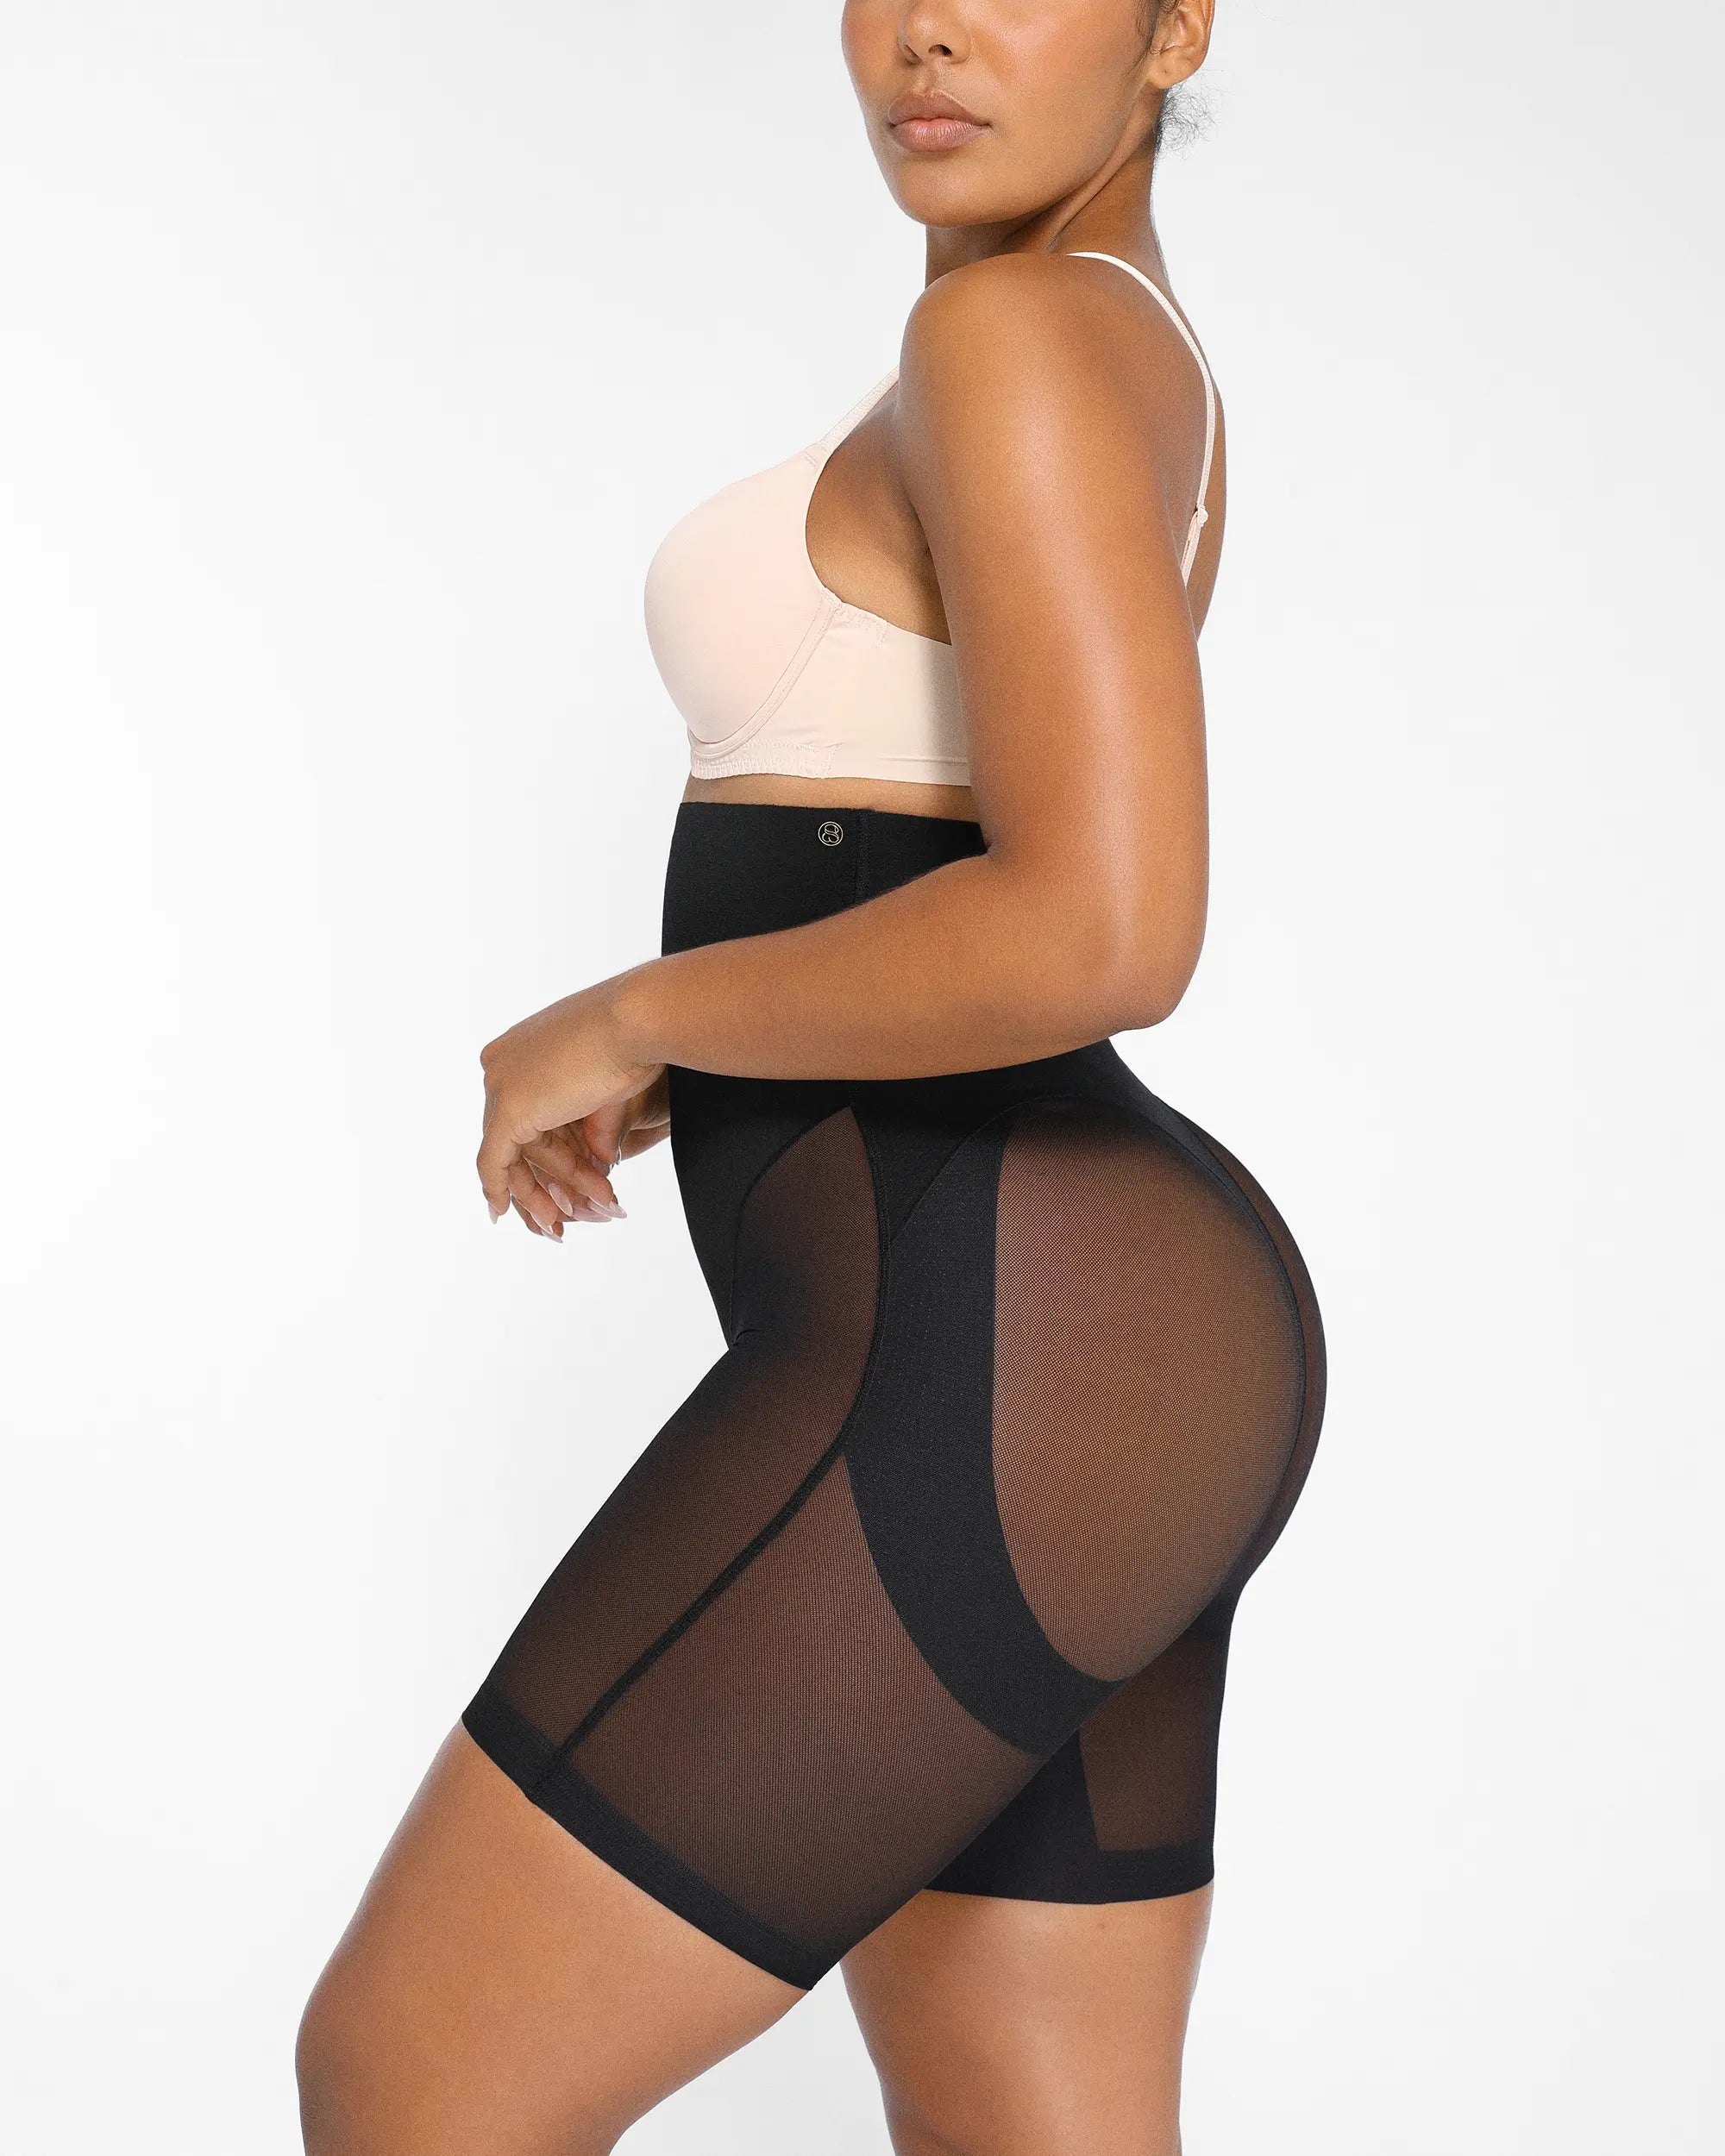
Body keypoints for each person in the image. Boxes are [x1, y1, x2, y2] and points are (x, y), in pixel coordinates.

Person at [296, 3, 1327, 2150]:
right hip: (1103, 1351)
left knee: (414, 2081)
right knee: (1018, 2118)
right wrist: (750, 1031)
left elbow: (1104, 925)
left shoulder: (1017, 334)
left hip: (1006, 1337)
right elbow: (960, 879)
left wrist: (639, 1012)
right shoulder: (1110, 340)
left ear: (1176, 27)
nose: (926, 28)